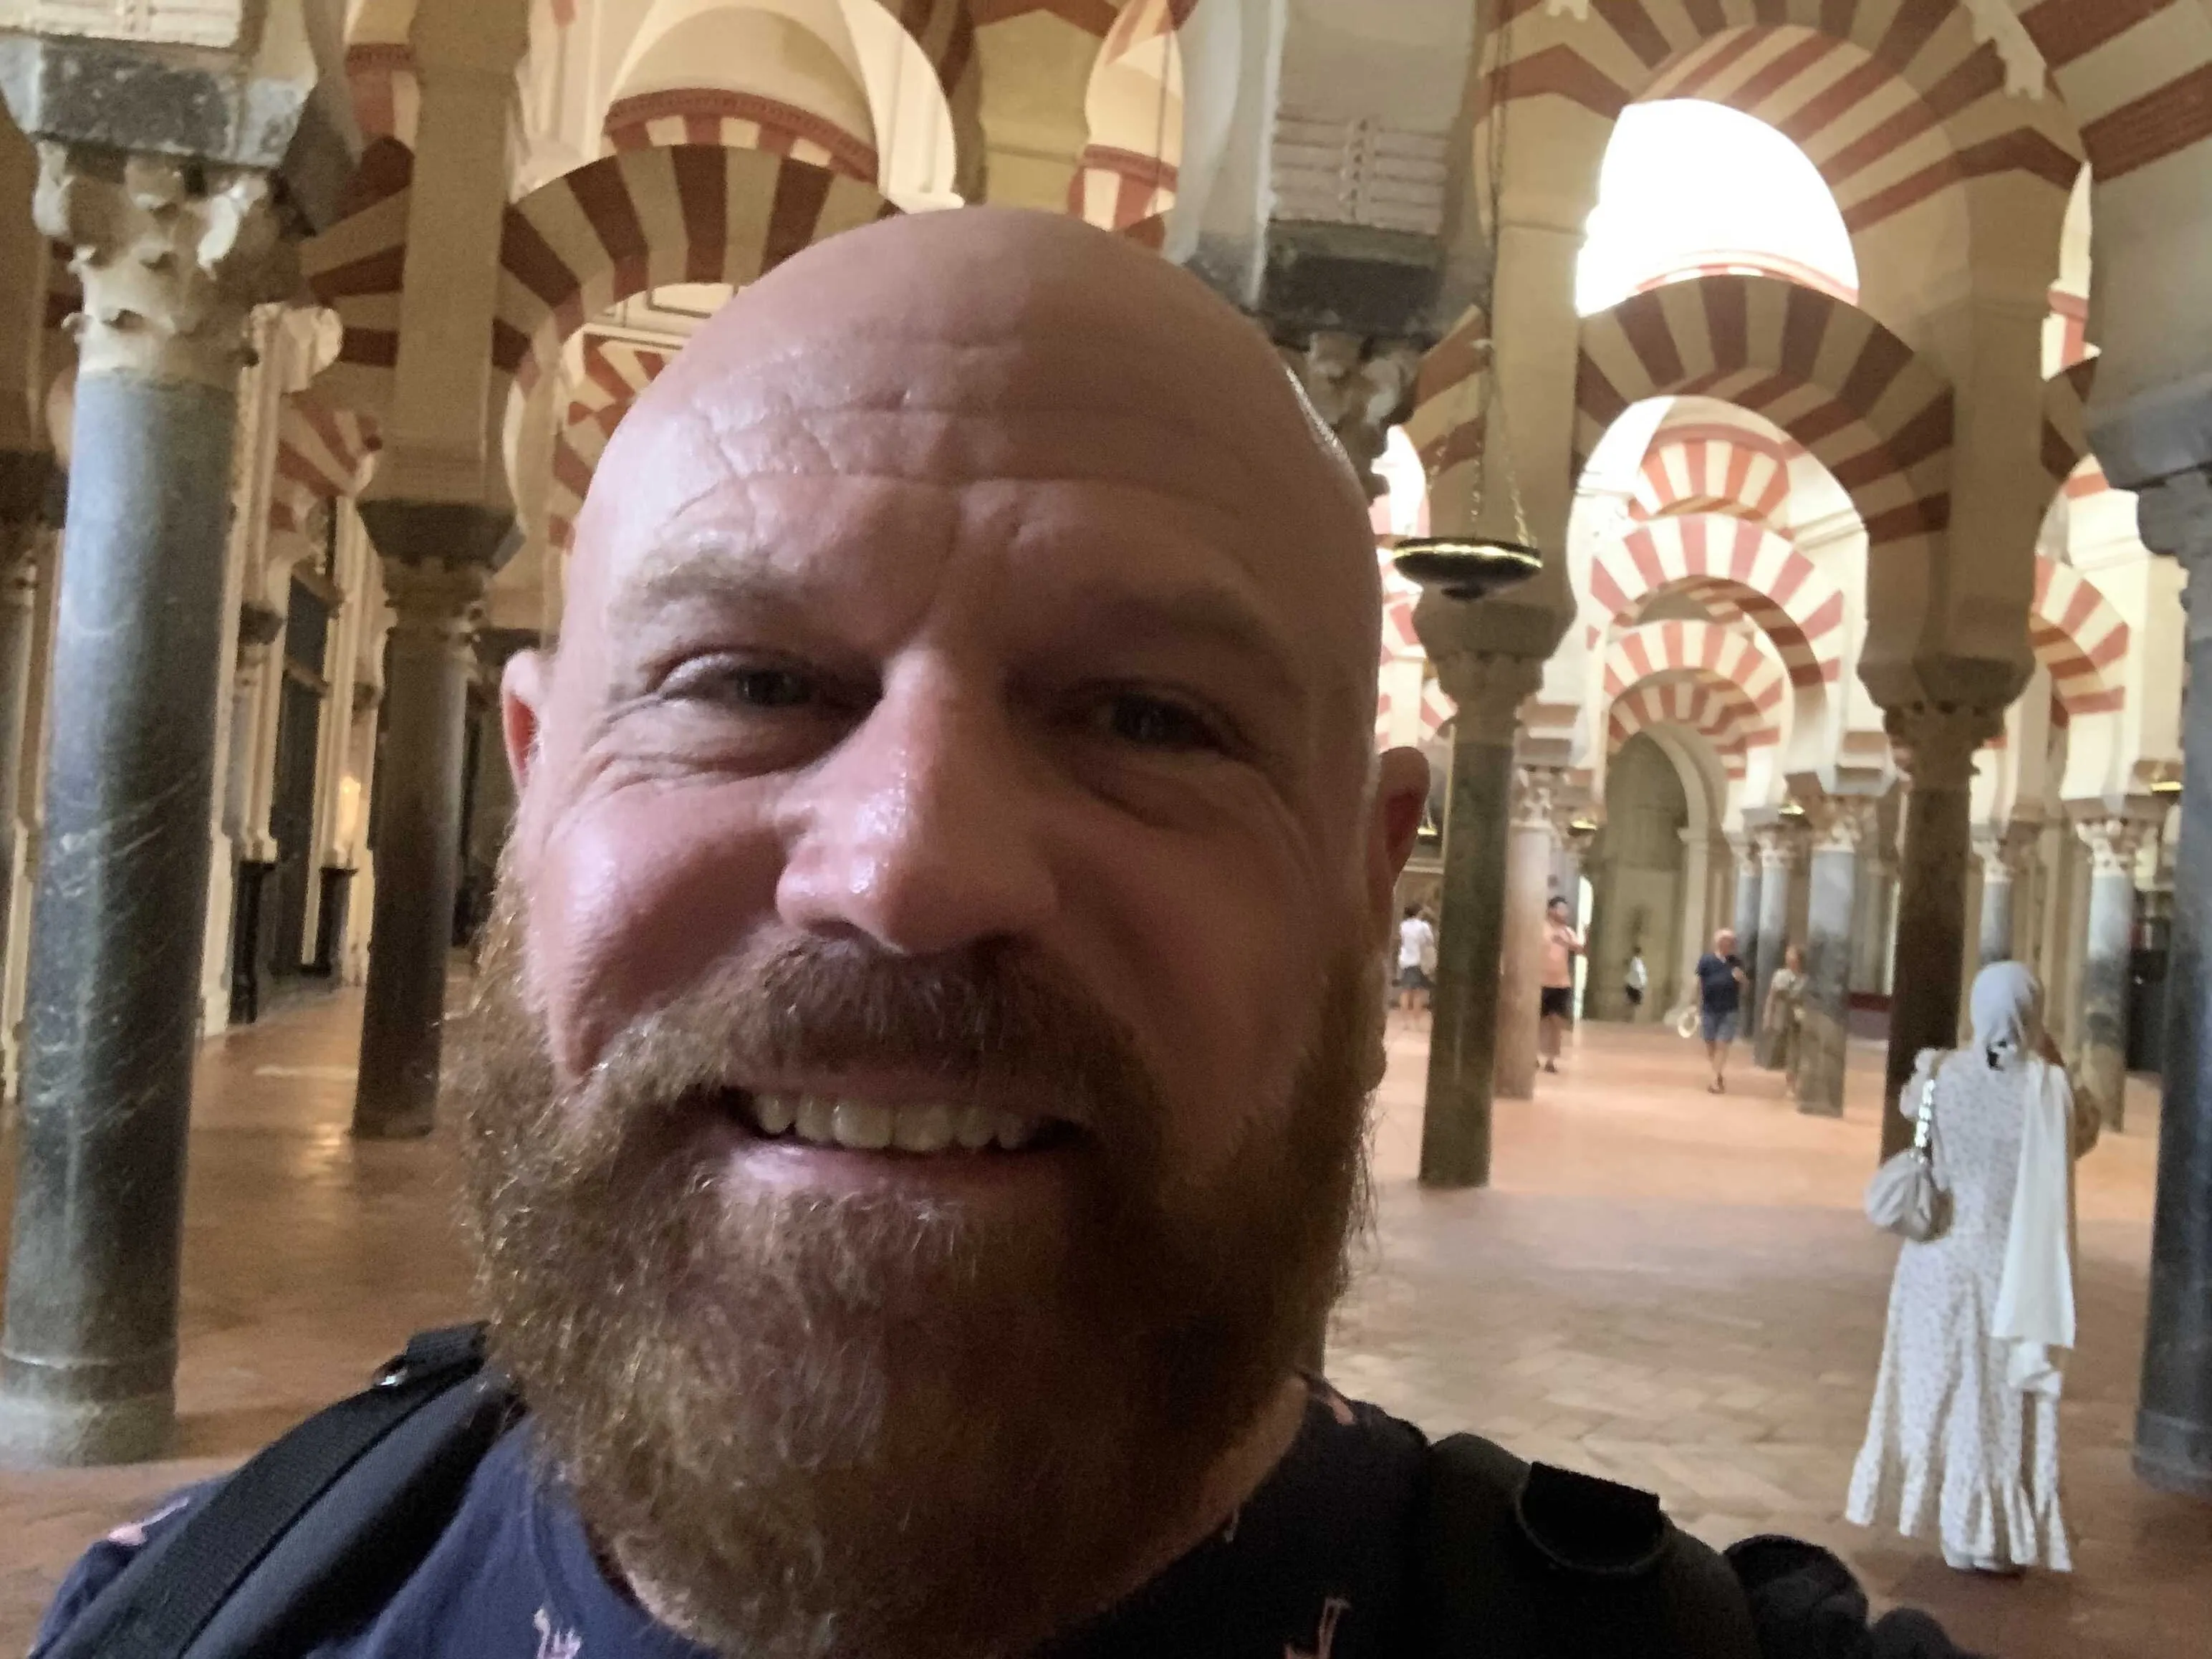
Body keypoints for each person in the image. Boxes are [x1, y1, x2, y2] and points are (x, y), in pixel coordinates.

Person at [34, 210, 1976, 1659]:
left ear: (1361, 872)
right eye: (750, 680)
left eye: (1149, 715)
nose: (910, 865)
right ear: (534, 795)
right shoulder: (195, 1612)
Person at [1847, 962, 2100, 1576]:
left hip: (1939, 1261)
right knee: (2005, 1396)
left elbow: (1912, 1111)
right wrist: (2048, 1057)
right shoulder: (2052, 1090)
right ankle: (1995, 1534)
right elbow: (2084, 1135)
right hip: (2015, 1267)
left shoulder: (1938, 1072)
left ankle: (1957, 1526)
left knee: (1947, 1392)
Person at [1695, 928, 1751, 1095]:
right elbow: (1697, 980)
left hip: (1729, 1008)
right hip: (1709, 1008)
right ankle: (1718, 1074)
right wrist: (1693, 1001)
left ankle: (1714, 1080)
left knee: (1722, 1044)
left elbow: (1746, 986)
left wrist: (1742, 980)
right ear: (1718, 943)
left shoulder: (1737, 962)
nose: (1728, 945)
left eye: (1731, 943)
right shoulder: (1706, 960)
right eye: (1725, 942)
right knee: (1710, 1044)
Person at [1537, 895, 1582, 1074]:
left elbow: (1579, 949)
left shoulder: (1568, 932)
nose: (1565, 913)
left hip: (1561, 983)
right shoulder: (1540, 929)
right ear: (1551, 910)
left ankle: (1551, 1059)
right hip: (1541, 980)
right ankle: (1533, 1056)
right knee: (1538, 1021)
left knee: (1557, 1022)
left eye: (1566, 909)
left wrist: (1570, 941)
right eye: (1561, 908)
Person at [1761, 943, 1807, 1091]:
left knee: (1797, 1052)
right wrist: (1768, 1016)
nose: (1789, 958)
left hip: (1800, 1018)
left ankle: (1795, 1082)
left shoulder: (1806, 979)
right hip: (1783, 1016)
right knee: (1787, 1052)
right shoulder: (1780, 975)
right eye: (1788, 955)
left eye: (1792, 955)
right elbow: (1771, 997)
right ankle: (1790, 1083)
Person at [1395, 903, 1436, 1021]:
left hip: (1405, 960)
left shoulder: (1403, 926)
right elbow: (1430, 941)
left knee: (1406, 990)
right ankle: (1416, 1019)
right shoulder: (1424, 926)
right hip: (1419, 961)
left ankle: (1404, 1020)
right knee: (1418, 991)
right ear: (1419, 913)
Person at [1624, 946, 1648, 1016]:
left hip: (1634, 984)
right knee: (1633, 1002)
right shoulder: (1636, 962)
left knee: (1633, 1002)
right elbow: (1639, 973)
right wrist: (1643, 984)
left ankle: (1630, 1017)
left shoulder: (1638, 962)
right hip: (1634, 985)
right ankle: (1630, 1017)